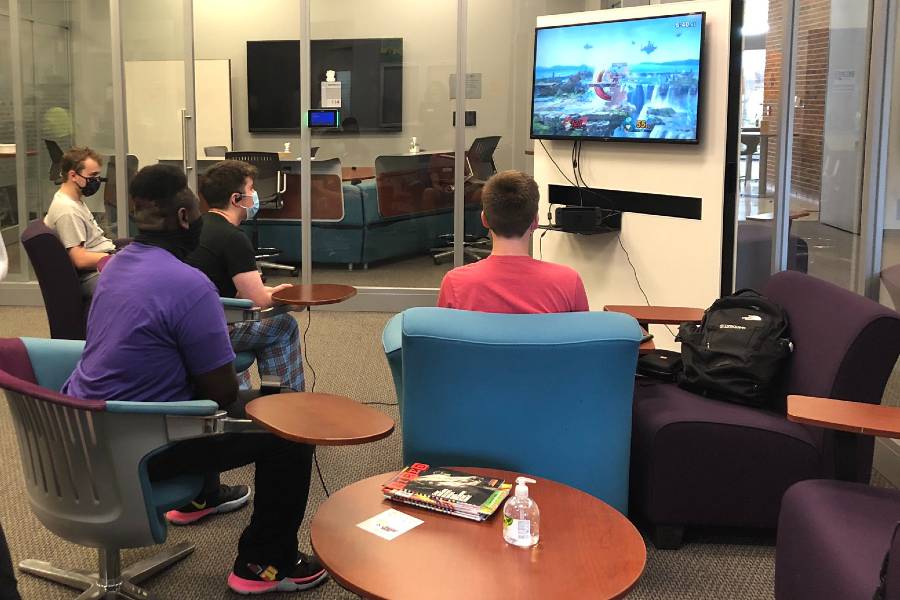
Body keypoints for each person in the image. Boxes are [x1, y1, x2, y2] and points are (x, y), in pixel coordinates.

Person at [62, 164, 326, 594]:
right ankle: (264, 561)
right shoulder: (190, 286)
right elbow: (221, 394)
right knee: (291, 426)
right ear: (185, 217)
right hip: (142, 447)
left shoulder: (113, 269)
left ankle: (200, 498)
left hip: (81, 436)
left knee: (200, 396)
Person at [187, 160, 304, 391]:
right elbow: (258, 302)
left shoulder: (195, 227)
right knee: (283, 325)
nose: (255, 195)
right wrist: (287, 300)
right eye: (251, 189)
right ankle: (288, 406)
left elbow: (238, 290)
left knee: (261, 328)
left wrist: (271, 292)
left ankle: (240, 393)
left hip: (188, 327)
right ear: (236, 199)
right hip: (214, 331)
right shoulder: (233, 238)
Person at [437, 170, 589, 313]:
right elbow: (583, 338)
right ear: (535, 222)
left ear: (484, 219)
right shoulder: (568, 282)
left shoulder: (455, 283)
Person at [43, 146, 116, 298]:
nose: (96, 181)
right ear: (73, 175)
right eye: (93, 176)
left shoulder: (74, 201)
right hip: (90, 275)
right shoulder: (67, 210)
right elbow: (80, 259)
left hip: (100, 261)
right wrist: (118, 259)